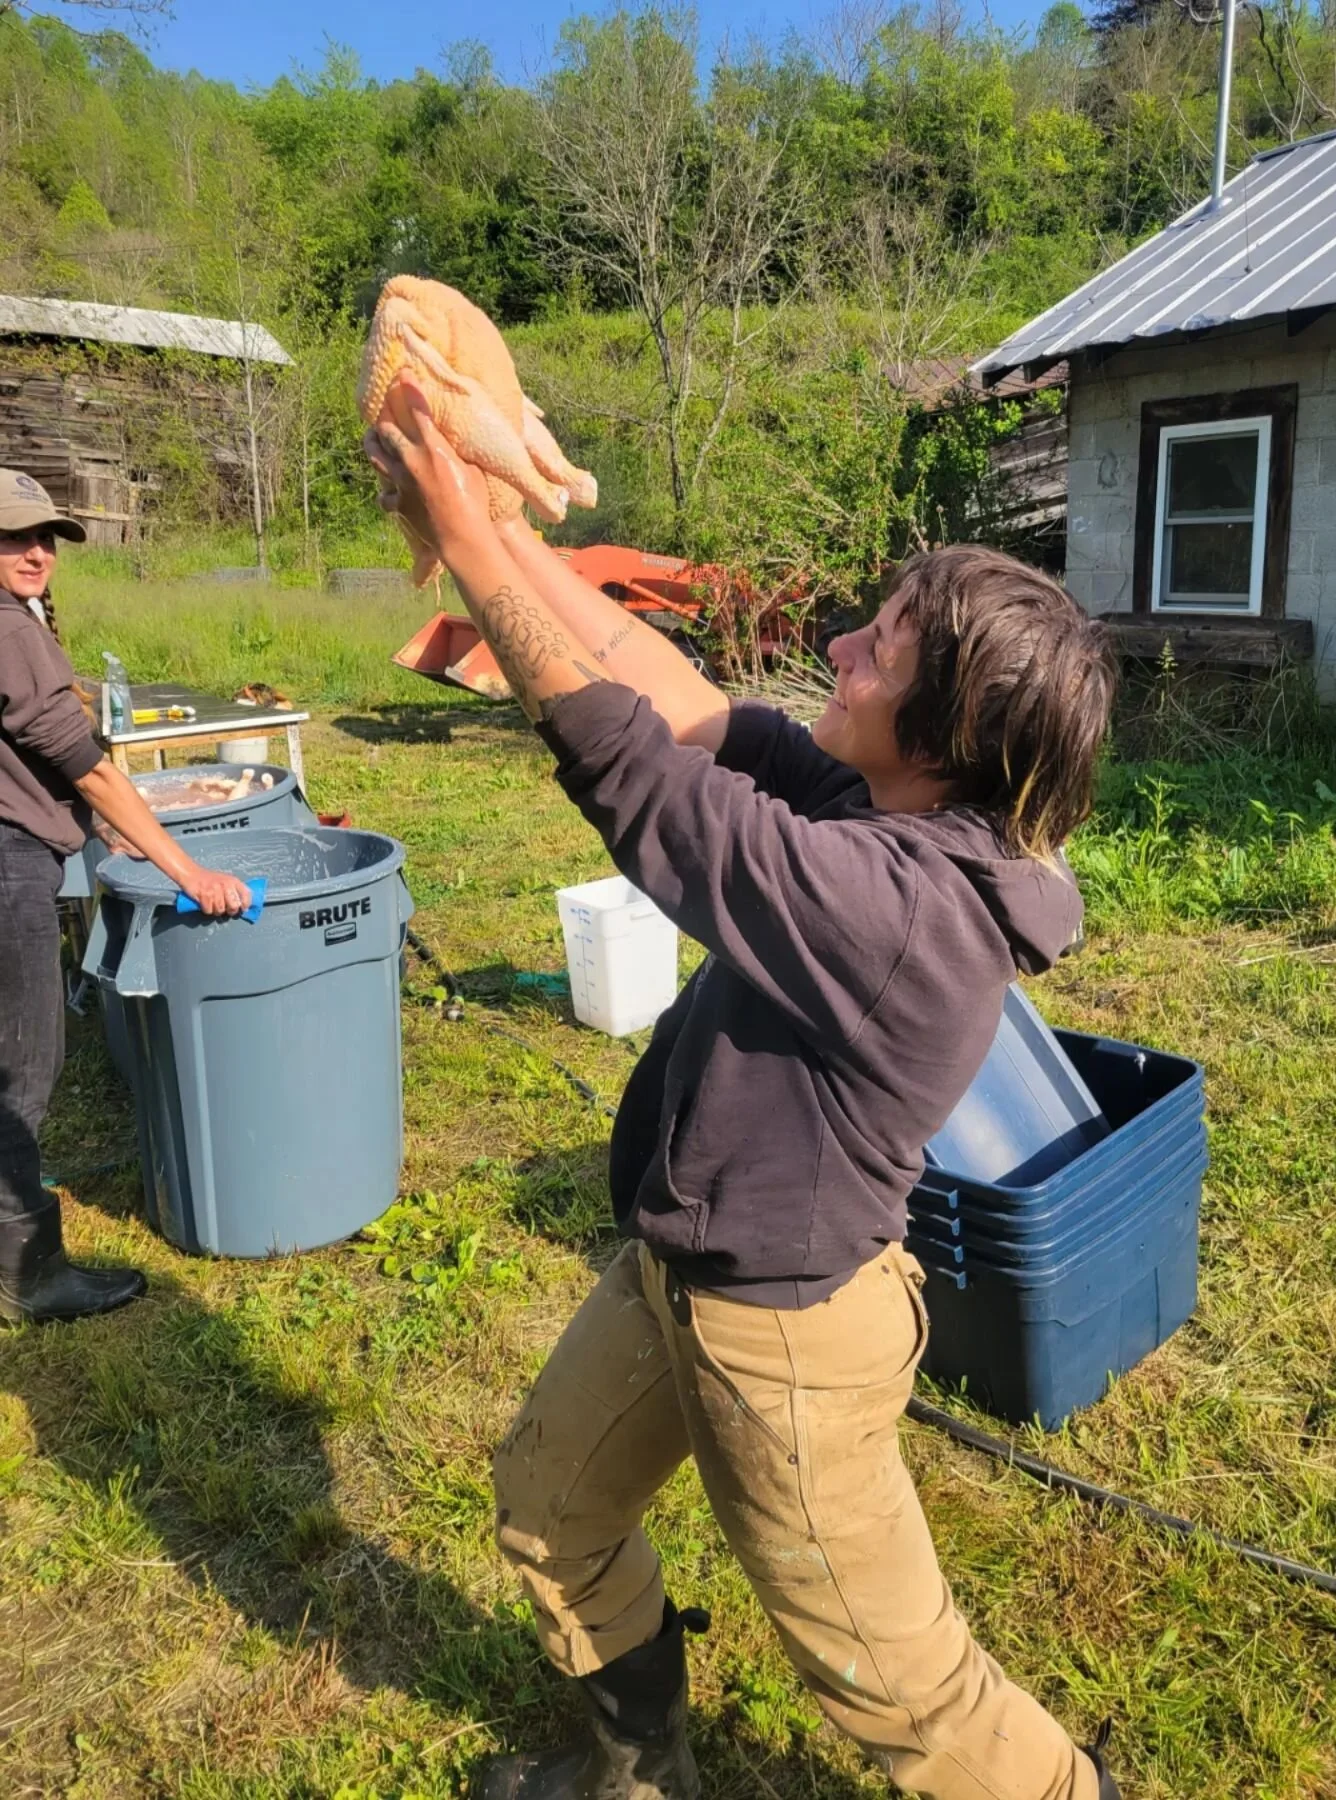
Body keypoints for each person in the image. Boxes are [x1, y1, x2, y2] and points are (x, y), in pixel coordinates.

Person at [367, 381, 1123, 1800]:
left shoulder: (905, 905)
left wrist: (467, 539)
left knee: (901, 1689)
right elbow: (696, 715)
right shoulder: (889, 806)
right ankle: (641, 1774)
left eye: (876, 653)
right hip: (682, 1263)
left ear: (948, 735)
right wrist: (518, 541)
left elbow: (647, 789)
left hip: (782, 1333)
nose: (836, 651)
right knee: (552, 1511)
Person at [0, 470, 251, 1327]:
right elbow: (89, 765)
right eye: (13, 538)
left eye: (47, 538)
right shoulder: (7, 630)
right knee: (22, 1069)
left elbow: (36, 760)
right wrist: (189, 872)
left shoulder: (18, 620)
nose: (35, 553)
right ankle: (30, 1274)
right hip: (8, 869)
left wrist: (98, 830)